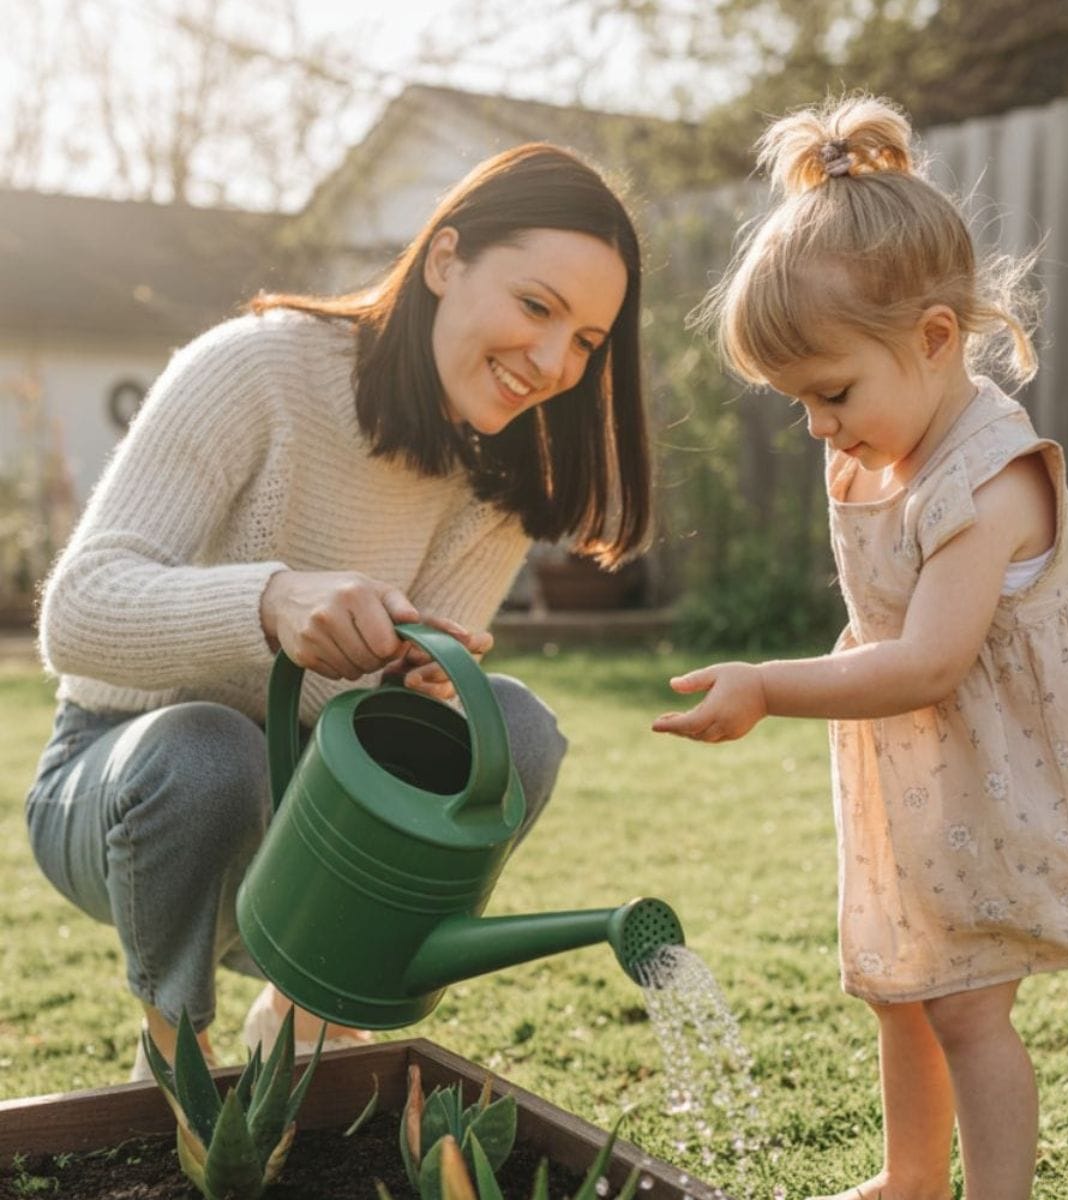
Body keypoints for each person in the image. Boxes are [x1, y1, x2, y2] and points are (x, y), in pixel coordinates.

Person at [653, 95, 1068, 1200]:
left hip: (1010, 768)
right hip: (923, 766)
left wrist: (767, 685)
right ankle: (910, 1180)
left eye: (832, 393)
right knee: (904, 984)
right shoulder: (879, 444)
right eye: (799, 402)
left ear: (936, 338)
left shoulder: (988, 482)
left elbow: (932, 661)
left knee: (967, 1006)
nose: (819, 426)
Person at [27, 142, 650, 1081]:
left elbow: (387, 729)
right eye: (536, 307)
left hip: (313, 829)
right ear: (445, 260)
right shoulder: (257, 369)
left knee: (514, 729)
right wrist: (272, 600)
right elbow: (75, 614)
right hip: (127, 794)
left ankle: (305, 1013)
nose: (555, 362)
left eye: (587, 342)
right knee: (209, 748)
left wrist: (420, 684)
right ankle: (174, 1042)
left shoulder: (503, 473)